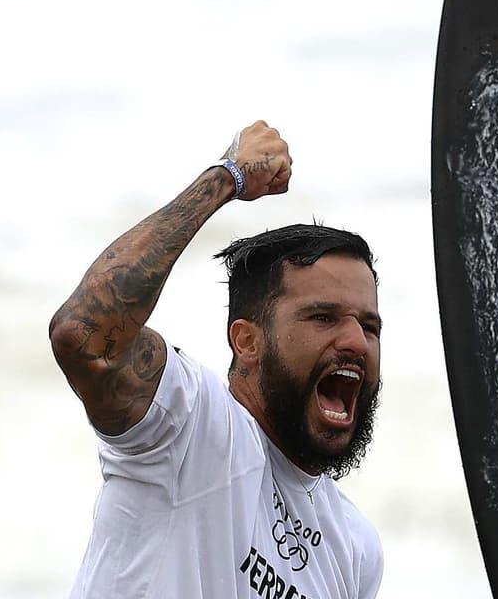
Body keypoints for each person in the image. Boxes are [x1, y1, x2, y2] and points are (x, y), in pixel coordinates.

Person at [49, 121, 384, 598]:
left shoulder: (354, 547)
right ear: (247, 342)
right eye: (323, 317)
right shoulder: (190, 427)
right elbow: (85, 335)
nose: (356, 342)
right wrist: (227, 178)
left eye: (369, 326)